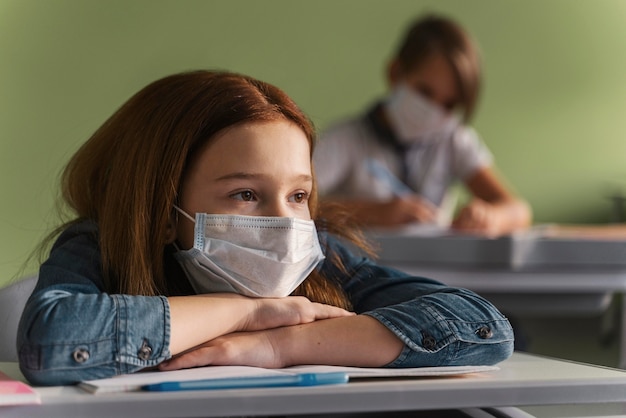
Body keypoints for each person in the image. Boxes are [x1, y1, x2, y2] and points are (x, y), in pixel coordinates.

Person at [17, 70, 514, 387]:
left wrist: (280, 344)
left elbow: (482, 330)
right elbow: (53, 342)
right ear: (165, 213)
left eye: (298, 196)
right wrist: (247, 313)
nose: (285, 223)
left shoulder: (326, 256)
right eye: (247, 194)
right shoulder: (98, 245)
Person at [314, 15, 531, 236]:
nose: (434, 111)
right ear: (395, 73)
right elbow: (292, 203)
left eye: (449, 104)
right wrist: (371, 213)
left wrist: (490, 217)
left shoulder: (453, 140)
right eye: (424, 92)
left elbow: (519, 210)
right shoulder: (346, 139)